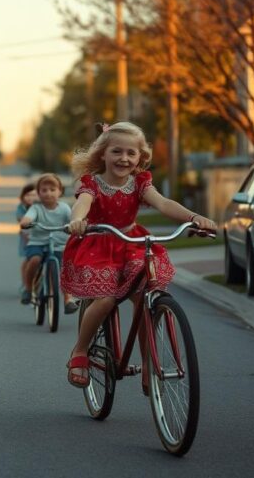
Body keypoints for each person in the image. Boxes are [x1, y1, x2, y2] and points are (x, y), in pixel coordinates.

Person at [61, 122, 217, 389]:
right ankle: (80, 351)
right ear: (103, 155)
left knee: (144, 295)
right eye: (117, 152)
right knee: (105, 299)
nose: (124, 158)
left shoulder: (140, 183)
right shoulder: (92, 184)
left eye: (131, 153)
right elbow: (82, 204)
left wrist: (194, 217)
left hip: (131, 241)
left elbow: (164, 204)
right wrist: (77, 220)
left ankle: (148, 362)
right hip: (99, 245)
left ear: (140, 158)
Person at [18, 174, 77, 312]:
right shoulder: (36, 208)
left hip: (59, 244)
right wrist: (26, 222)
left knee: (65, 268)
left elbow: (72, 219)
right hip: (37, 242)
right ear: (38, 193)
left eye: (52, 189)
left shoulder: (64, 208)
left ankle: (68, 299)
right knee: (34, 260)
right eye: (44, 190)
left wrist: (73, 225)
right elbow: (28, 217)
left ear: (60, 191)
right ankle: (28, 288)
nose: (48, 193)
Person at [15, 183, 37, 293]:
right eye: (27, 195)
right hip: (26, 236)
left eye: (33, 195)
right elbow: (21, 221)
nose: (30, 198)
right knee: (27, 259)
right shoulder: (21, 207)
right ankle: (25, 283)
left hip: (41, 235)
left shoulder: (41, 206)